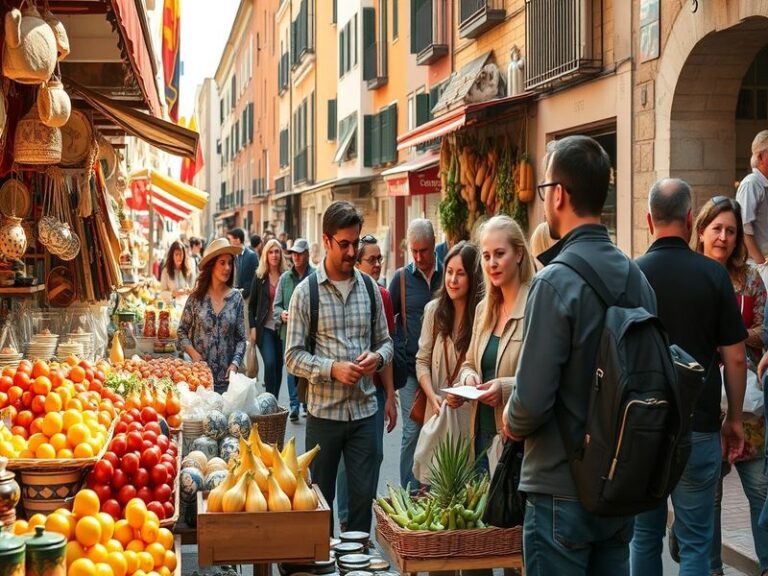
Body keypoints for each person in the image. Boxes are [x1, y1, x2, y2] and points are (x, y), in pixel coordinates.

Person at [503, 136, 657, 575]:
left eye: (544, 190)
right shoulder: (636, 276)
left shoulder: (554, 282)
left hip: (559, 488)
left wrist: (511, 421)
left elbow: (530, 404)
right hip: (618, 485)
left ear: (559, 194)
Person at [630, 179, 748, 576]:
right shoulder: (713, 277)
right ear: (690, 219)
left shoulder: (631, 276)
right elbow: (734, 358)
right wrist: (733, 418)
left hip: (642, 427)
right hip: (696, 425)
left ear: (649, 220)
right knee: (697, 542)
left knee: (643, 537)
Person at [285, 201, 393, 533]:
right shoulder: (305, 294)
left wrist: (378, 358)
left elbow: (386, 342)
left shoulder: (371, 290)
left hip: (364, 415)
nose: (350, 252)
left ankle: (356, 563)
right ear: (327, 241)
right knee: (318, 505)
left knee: (362, 503)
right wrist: (332, 369)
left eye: (355, 243)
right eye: (343, 244)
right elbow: (292, 356)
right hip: (323, 417)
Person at [690, 195, 768, 576]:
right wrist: (730, 336)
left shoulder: (749, 277)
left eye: (731, 231)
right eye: (717, 228)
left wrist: (728, 338)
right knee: (710, 496)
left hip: (745, 401)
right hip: (705, 400)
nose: (723, 237)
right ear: (701, 229)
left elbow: (764, 329)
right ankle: (711, 568)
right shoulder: (690, 272)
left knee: (758, 488)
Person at [451, 217, 533, 471]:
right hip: (479, 436)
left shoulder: (536, 304)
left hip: (515, 440)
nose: (492, 264)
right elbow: (469, 363)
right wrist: (467, 380)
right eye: (486, 256)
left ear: (519, 254)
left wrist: (505, 388)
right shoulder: (483, 309)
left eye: (499, 254)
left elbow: (547, 377)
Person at [337, 234, 399, 532]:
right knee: (344, 464)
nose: (376, 265)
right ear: (357, 263)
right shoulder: (337, 290)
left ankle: (359, 527)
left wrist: (389, 396)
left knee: (371, 457)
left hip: (371, 394)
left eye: (379, 259)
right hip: (339, 397)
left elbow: (385, 347)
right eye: (371, 260)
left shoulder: (382, 296)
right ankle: (347, 519)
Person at [389, 218, 443, 488]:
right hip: (411, 370)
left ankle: (435, 491)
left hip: (443, 371)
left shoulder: (448, 274)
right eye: (414, 251)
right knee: (412, 431)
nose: (419, 257)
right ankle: (409, 495)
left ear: (434, 245)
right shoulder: (400, 279)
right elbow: (388, 323)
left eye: (423, 250)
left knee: (440, 431)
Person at [417, 241, 484, 425]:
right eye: (449, 272)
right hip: (436, 412)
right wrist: (432, 397)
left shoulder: (483, 316)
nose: (452, 280)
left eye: (460, 273)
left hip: (468, 419)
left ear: (473, 277)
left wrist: (463, 391)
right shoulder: (433, 311)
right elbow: (422, 361)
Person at [177, 238, 247, 393]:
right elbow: (181, 331)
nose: (227, 268)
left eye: (230, 263)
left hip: (228, 382)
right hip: (200, 382)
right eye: (222, 263)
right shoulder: (196, 297)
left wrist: (235, 364)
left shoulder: (236, 298)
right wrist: (194, 355)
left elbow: (241, 339)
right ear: (211, 266)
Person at [273, 238, 315, 421]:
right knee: (291, 368)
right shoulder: (284, 279)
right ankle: (294, 405)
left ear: (307, 255)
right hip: (288, 332)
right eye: (294, 253)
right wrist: (281, 314)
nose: (296, 257)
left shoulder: (315, 276)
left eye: (299, 253)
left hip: (311, 332)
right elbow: (276, 306)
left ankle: (306, 403)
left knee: (307, 368)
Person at [249, 238, 288, 398]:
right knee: (270, 363)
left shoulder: (287, 277)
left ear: (281, 254)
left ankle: (274, 400)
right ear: (266, 255)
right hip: (264, 329)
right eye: (271, 252)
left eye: (277, 251)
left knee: (279, 367)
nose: (274, 255)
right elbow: (251, 305)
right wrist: (252, 327)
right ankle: (269, 398)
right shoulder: (260, 277)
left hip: (283, 329)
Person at [736, 130, 768, 285]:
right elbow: (744, 228)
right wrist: (762, 264)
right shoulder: (751, 183)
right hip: (758, 268)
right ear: (761, 156)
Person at [227, 227, 259, 300]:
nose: (229, 242)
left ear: (237, 240)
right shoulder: (231, 255)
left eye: (230, 240)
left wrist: (244, 294)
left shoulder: (251, 256)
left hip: (247, 298)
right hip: (233, 296)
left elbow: (255, 278)